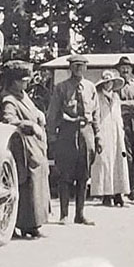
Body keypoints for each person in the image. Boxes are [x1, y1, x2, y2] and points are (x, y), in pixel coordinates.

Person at [0, 60, 50, 238]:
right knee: (27, 186)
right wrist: (28, 125)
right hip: (23, 149)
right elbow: (9, 120)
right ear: (15, 81)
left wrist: (38, 115)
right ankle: (19, 225)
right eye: (24, 80)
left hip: (36, 147)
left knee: (38, 184)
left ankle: (34, 225)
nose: (27, 83)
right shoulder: (8, 100)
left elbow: (31, 110)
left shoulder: (23, 95)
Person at [46, 54, 102, 225]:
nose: (79, 69)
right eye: (75, 65)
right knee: (65, 175)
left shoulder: (90, 88)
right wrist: (51, 136)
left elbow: (96, 113)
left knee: (83, 175)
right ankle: (64, 214)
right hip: (67, 133)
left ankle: (80, 214)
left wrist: (98, 136)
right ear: (70, 67)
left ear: (86, 68)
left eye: (82, 66)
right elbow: (52, 113)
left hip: (87, 133)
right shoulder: (61, 88)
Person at [90, 69, 131, 207]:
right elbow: (95, 115)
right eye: (106, 83)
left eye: (111, 82)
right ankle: (106, 194)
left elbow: (118, 115)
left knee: (119, 161)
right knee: (105, 162)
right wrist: (97, 132)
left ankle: (119, 193)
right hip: (104, 129)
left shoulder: (116, 97)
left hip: (117, 131)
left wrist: (121, 129)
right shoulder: (97, 97)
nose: (108, 85)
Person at [116, 56, 134, 205]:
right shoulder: (116, 86)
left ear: (131, 70)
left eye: (127, 68)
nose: (125, 70)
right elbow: (117, 104)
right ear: (118, 69)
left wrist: (129, 105)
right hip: (123, 125)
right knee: (127, 158)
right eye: (122, 68)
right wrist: (132, 103)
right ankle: (125, 190)